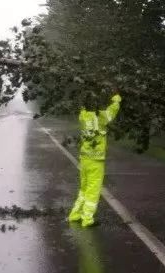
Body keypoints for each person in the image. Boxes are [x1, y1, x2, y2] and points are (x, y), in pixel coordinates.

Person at [68, 92, 122, 227]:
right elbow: (111, 113)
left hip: (84, 159)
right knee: (93, 189)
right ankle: (87, 219)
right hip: (96, 161)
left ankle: (75, 214)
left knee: (84, 188)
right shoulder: (100, 117)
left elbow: (83, 107)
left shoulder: (83, 116)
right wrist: (116, 100)